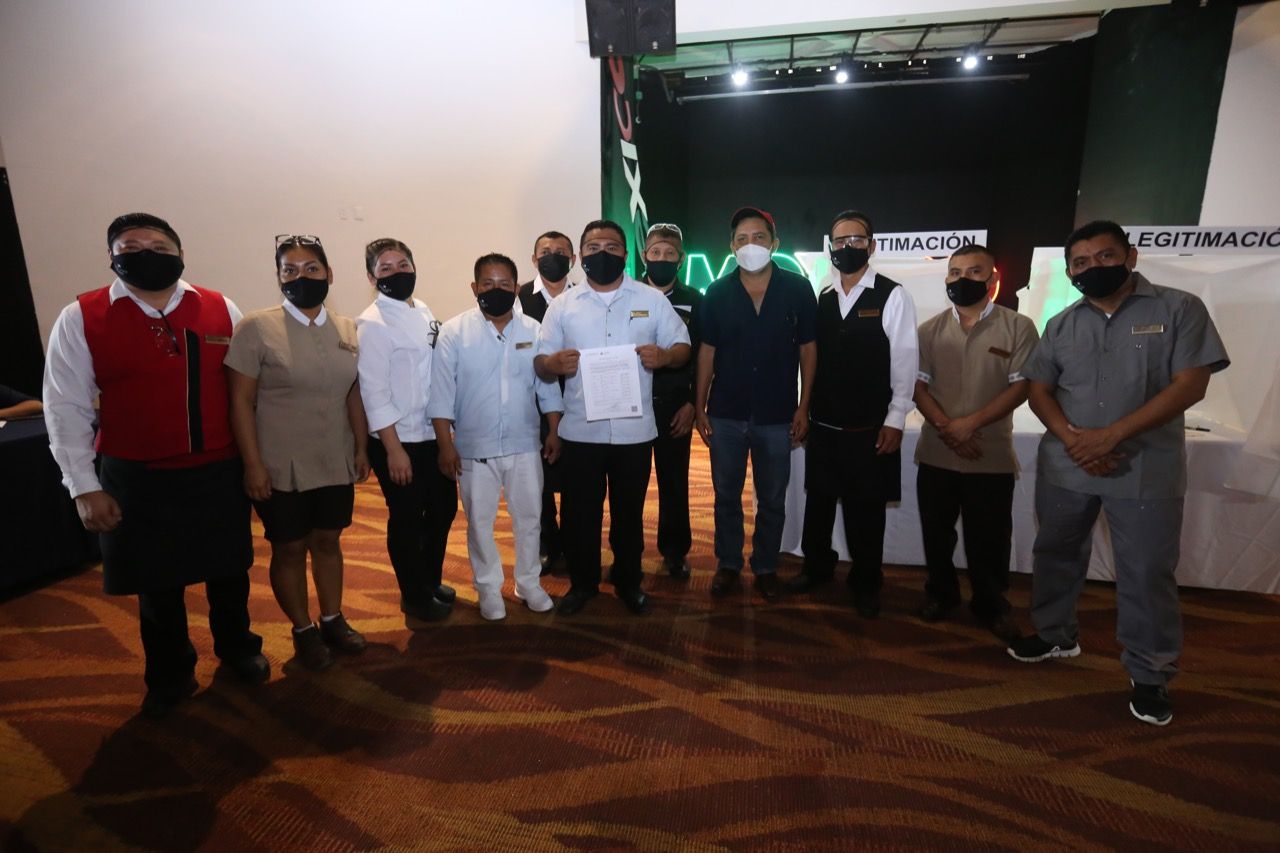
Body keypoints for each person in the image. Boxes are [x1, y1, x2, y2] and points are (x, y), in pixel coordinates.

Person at [43, 212, 266, 717]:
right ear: (111, 257)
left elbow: (245, 394)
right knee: (156, 583)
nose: (147, 253)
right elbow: (64, 407)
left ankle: (238, 649)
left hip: (217, 470)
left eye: (160, 246)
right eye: (131, 246)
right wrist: (83, 486)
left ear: (181, 253)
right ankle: (170, 672)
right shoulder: (81, 316)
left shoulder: (220, 307)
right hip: (136, 477)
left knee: (230, 572)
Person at [1008, 220, 1229, 727]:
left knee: (1146, 570)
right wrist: (1075, 441)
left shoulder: (1179, 309)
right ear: (1070, 272)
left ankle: (1150, 672)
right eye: (1081, 262)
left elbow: (1190, 385)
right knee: (1056, 552)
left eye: (1105, 256)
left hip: (1144, 467)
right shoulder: (1061, 323)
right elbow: (1040, 390)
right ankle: (1055, 634)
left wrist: (1111, 435)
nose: (1093, 267)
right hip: (1069, 463)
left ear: (1130, 257)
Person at [226, 235, 371, 672]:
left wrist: (360, 446)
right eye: (289, 270)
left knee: (328, 541)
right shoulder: (256, 327)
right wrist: (253, 464)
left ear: (329, 274)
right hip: (279, 462)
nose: (301, 277)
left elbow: (353, 394)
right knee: (289, 548)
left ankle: (332, 618)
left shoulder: (346, 328)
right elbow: (240, 402)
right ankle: (303, 629)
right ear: (279, 277)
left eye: (311, 269)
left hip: (333, 456)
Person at [535, 219, 690, 616]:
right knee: (579, 514)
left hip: (634, 433)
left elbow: (682, 346)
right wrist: (551, 363)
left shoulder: (651, 300)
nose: (602, 253)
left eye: (611, 246)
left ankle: (628, 581)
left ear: (625, 254)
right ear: (581, 255)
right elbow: (540, 361)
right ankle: (583, 584)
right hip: (580, 431)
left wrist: (665, 356)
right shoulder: (563, 305)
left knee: (629, 513)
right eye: (593, 247)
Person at [784, 210, 917, 618]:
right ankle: (817, 568)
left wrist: (896, 418)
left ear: (871, 246)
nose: (847, 247)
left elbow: (905, 360)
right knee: (819, 504)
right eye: (840, 241)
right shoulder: (823, 296)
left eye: (856, 239)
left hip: (870, 427)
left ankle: (866, 582)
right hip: (824, 423)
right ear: (830, 247)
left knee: (866, 510)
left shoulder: (893, 295)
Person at [912, 244, 1038, 639]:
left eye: (973, 271)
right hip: (937, 451)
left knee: (990, 538)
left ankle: (991, 603)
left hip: (990, 453)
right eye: (955, 272)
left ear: (993, 279)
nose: (962, 279)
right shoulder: (928, 330)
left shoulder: (1018, 327)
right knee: (936, 534)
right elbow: (917, 387)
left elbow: (1021, 387)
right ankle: (941, 594)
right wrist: (948, 427)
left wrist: (970, 425)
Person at [428, 253, 563, 620]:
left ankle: (528, 583)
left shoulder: (533, 330)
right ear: (474, 288)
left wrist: (554, 429)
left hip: (524, 443)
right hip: (475, 448)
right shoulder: (454, 332)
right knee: (480, 523)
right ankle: (488, 588)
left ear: (516, 288)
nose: (496, 290)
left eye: (504, 284)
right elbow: (440, 394)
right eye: (487, 284)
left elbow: (547, 387)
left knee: (530, 518)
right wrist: (445, 445)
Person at [695, 207, 817, 603]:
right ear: (732, 247)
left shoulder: (798, 289)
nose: (751, 245)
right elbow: (707, 352)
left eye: (759, 237)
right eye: (743, 239)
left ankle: (766, 566)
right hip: (726, 412)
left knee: (773, 498)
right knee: (726, 495)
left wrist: (804, 406)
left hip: (778, 412)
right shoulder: (716, 293)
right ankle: (728, 563)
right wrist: (699, 406)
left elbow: (809, 350)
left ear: (774, 244)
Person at [355, 238, 457, 625]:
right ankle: (414, 595)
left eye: (403, 265)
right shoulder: (372, 324)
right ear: (372, 277)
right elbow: (373, 391)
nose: (397, 273)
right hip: (397, 440)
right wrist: (394, 449)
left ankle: (430, 581)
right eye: (385, 268)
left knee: (443, 509)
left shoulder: (424, 310)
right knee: (408, 518)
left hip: (430, 434)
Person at [641, 223, 702, 579]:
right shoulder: (627, 294)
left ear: (680, 259)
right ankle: (627, 552)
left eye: (669, 253)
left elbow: (705, 357)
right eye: (655, 252)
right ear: (644, 255)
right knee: (628, 484)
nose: (662, 258)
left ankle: (675, 551)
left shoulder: (696, 300)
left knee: (674, 482)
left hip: (675, 407)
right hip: (632, 407)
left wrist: (693, 404)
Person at [518, 231, 576, 575]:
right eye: (545, 251)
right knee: (536, 479)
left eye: (560, 251)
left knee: (575, 478)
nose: (552, 256)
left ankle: (572, 540)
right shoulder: (517, 297)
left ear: (573, 260)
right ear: (534, 258)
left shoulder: (584, 296)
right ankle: (546, 541)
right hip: (529, 403)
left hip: (577, 402)